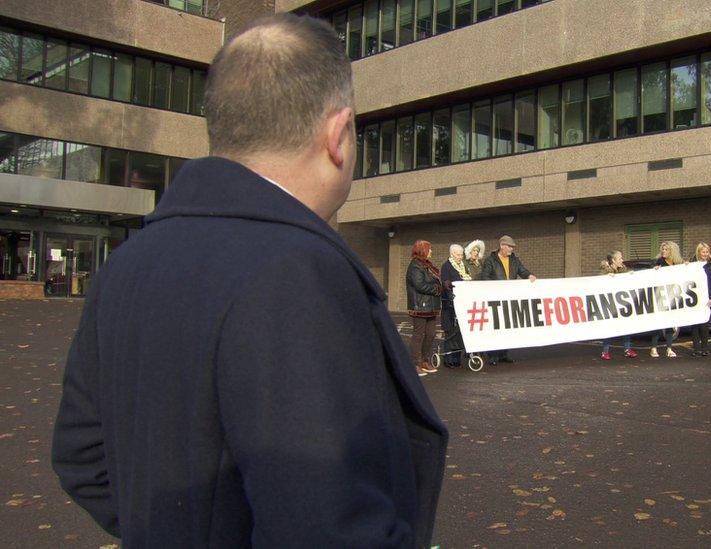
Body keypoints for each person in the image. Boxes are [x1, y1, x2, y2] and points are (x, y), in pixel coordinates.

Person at [50, 15, 447, 547]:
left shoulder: (129, 260)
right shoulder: (298, 271)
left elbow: (81, 455)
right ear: (338, 136)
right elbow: (326, 524)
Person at [479, 235, 536, 364]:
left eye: (512, 247)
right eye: (509, 246)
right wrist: (497, 287)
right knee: (495, 327)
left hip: (508, 299)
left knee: (507, 327)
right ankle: (493, 355)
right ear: (502, 246)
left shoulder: (515, 260)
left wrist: (529, 275)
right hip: (494, 299)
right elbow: (485, 277)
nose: (511, 249)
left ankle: (504, 354)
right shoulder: (490, 260)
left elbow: (522, 271)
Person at [407, 240, 442, 376]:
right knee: (418, 335)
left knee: (431, 334)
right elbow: (420, 285)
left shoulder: (427, 265)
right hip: (420, 306)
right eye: (429, 249)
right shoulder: (415, 266)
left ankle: (424, 360)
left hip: (431, 306)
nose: (431, 251)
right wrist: (437, 289)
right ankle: (414, 363)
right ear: (422, 250)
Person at [599, 251, 638, 360]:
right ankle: (605, 351)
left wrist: (631, 274)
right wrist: (606, 277)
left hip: (622, 303)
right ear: (613, 261)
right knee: (609, 328)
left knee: (626, 326)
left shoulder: (623, 270)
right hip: (610, 305)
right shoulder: (604, 272)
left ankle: (627, 349)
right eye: (620, 258)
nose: (622, 260)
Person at [650, 241, 684, 358]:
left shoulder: (677, 264)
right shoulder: (659, 262)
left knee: (670, 322)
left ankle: (669, 348)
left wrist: (688, 266)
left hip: (673, 296)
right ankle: (654, 348)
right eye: (662, 249)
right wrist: (655, 270)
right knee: (658, 322)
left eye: (666, 249)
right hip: (660, 296)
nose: (663, 251)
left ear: (672, 251)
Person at [440, 243, 471, 367]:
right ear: (452, 254)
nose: (460, 257)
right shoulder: (446, 266)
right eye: (458, 255)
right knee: (450, 331)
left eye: (461, 254)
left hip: (462, 303)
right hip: (450, 304)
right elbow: (445, 284)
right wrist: (450, 295)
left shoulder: (463, 267)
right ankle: (448, 359)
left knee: (458, 331)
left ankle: (457, 358)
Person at [690, 242, 711, 357]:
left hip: (707, 299)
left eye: (707, 252)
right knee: (695, 325)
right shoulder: (692, 266)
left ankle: (704, 347)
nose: (705, 254)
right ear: (699, 252)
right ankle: (696, 349)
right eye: (703, 252)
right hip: (694, 299)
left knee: (704, 324)